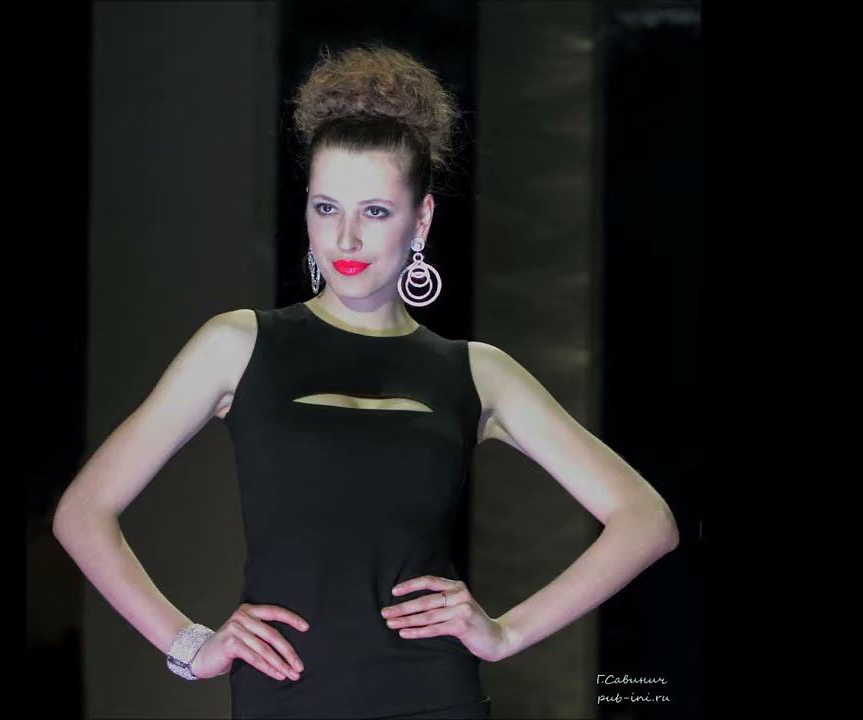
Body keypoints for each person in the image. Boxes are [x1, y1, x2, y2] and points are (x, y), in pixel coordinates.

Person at [53, 45, 679, 719]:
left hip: (434, 697)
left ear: (422, 219)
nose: (345, 238)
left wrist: (507, 633)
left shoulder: (476, 370)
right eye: (326, 208)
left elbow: (645, 520)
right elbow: (83, 513)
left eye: (375, 212)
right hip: (283, 698)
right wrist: (187, 645)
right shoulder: (237, 345)